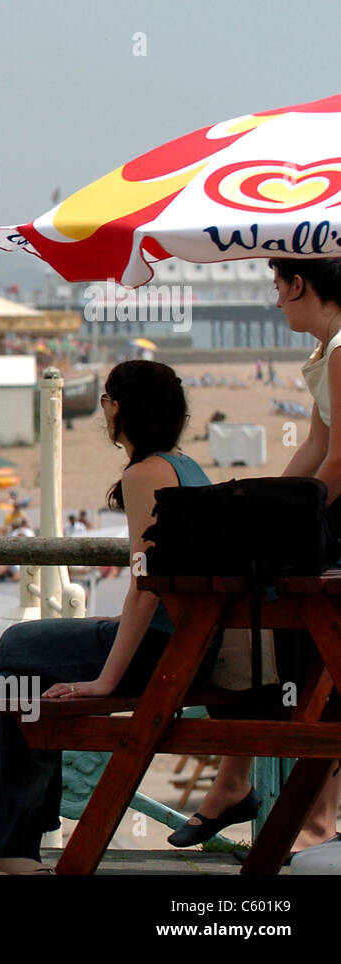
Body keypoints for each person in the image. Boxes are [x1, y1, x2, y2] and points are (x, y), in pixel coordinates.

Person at [0, 360, 221, 874]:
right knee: (20, 663)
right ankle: (4, 844)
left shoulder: (146, 474)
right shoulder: (183, 465)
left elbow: (145, 586)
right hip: (192, 644)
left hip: (166, 652)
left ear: (117, 409)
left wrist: (103, 681)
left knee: (17, 652)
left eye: (105, 403)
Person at [171, 257, 341, 857]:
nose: (275, 301)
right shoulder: (329, 350)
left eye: (277, 286)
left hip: (337, 528)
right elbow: (317, 448)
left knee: (312, 662)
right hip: (328, 518)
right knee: (274, 639)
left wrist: (294, 521)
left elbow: (339, 462)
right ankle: (236, 782)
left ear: (300, 283)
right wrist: (263, 510)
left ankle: (306, 816)